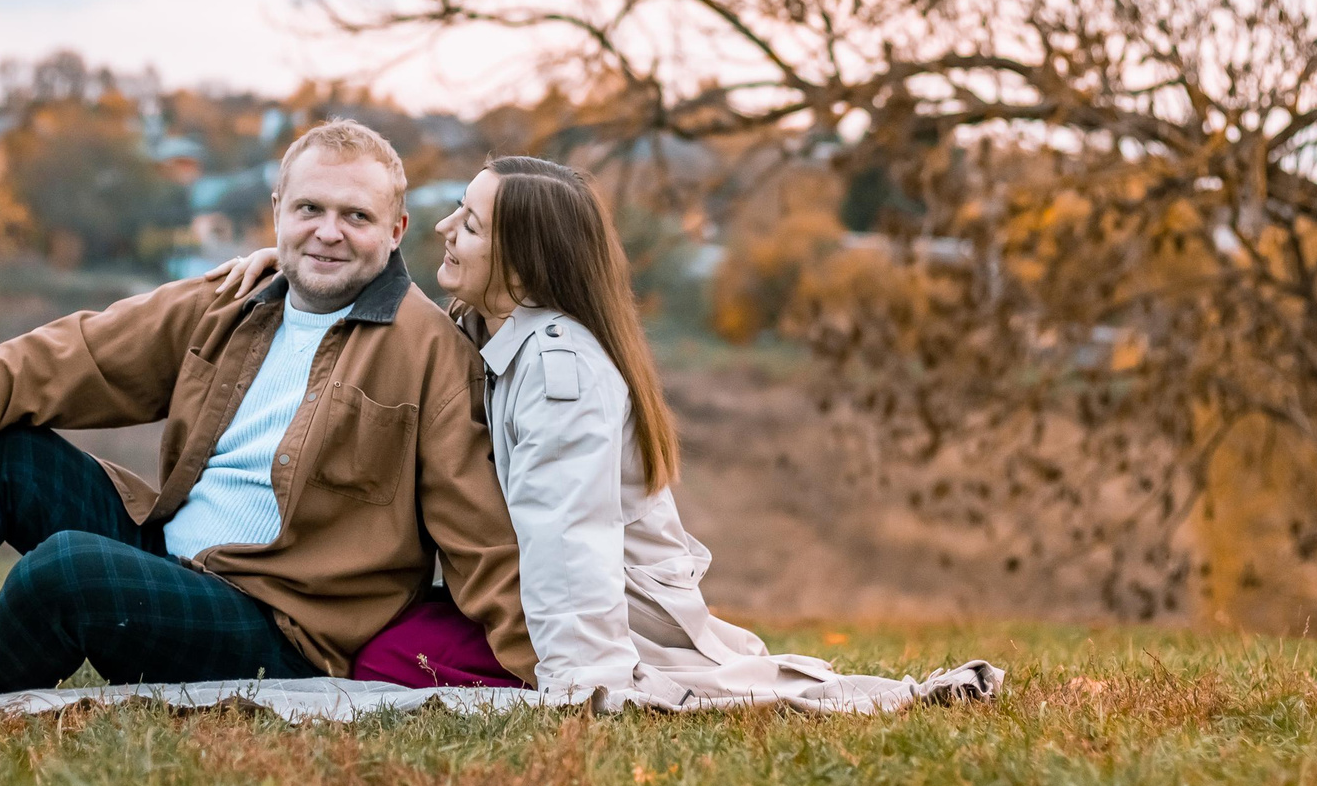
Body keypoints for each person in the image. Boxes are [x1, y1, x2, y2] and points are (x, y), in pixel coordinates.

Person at [0, 120, 535, 723]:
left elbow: (479, 538)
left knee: (70, 569)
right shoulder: (230, 302)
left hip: (279, 628)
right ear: (278, 212)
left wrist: (559, 675)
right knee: (10, 456)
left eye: (355, 215)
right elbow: (45, 361)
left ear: (397, 228)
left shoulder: (429, 355)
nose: (328, 233)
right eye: (309, 208)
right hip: (168, 559)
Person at [224, 155, 922, 707]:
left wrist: (584, 689)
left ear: (522, 263)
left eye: (468, 224)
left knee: (380, 658)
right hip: (524, 591)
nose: (445, 230)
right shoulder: (490, 326)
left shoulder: (563, 372)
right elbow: (401, 313)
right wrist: (287, 266)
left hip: (608, 615)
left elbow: (571, 538)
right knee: (378, 634)